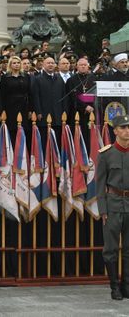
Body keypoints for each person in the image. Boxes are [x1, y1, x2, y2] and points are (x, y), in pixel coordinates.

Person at [97, 114, 129, 301]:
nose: (126, 131)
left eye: (128, 127)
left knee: (128, 248)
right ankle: (114, 287)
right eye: (123, 127)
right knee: (110, 249)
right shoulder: (106, 154)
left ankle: (126, 286)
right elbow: (100, 184)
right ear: (115, 131)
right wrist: (103, 210)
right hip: (113, 205)